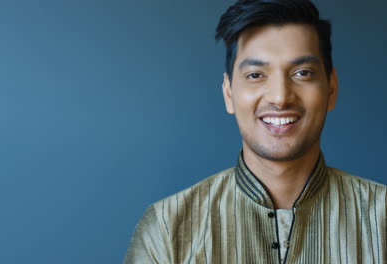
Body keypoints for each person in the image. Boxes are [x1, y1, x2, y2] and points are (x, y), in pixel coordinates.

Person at [123, 0, 386, 263]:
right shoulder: (168, 229)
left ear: (331, 88)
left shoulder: (382, 218)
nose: (280, 97)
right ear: (229, 93)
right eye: (256, 75)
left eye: (302, 72)